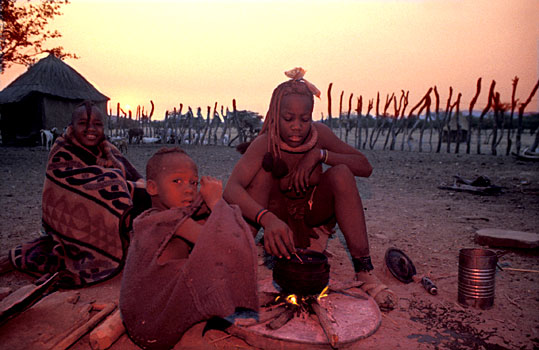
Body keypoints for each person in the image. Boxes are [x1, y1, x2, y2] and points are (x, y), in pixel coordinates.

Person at [223, 68, 397, 310]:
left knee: (342, 173)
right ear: (275, 115)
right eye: (288, 118)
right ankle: (241, 264)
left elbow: (365, 166)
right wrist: (267, 219)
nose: (297, 126)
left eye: (304, 119)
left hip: (312, 218)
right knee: (261, 174)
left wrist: (320, 155)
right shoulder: (266, 142)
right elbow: (231, 188)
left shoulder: (319, 135)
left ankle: (364, 270)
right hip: (277, 221)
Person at [120, 147, 258, 350]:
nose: (188, 189)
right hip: (154, 327)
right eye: (177, 181)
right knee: (215, 264)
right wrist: (215, 201)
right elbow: (222, 244)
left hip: (141, 321)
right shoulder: (168, 220)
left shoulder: (153, 217)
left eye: (194, 182)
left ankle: (196, 328)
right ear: (151, 187)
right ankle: (190, 334)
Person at [5, 101, 151, 288]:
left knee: (148, 194)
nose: (91, 129)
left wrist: (133, 186)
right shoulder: (62, 150)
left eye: (97, 124)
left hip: (106, 214)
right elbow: (66, 185)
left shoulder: (107, 148)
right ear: (71, 127)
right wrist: (112, 178)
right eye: (83, 123)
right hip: (70, 222)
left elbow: (134, 176)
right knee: (119, 186)